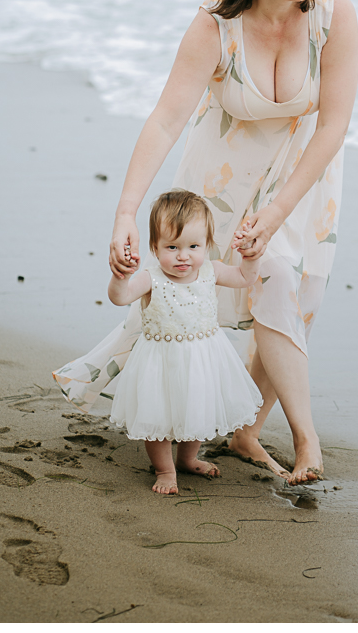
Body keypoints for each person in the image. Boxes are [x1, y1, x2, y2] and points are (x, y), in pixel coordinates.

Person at [54, 0, 358, 486]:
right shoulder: (215, 23)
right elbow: (167, 117)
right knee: (220, 290)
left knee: (287, 292)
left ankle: (250, 427)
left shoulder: (332, 12)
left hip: (303, 177)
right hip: (220, 179)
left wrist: (277, 209)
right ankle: (305, 440)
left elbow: (335, 123)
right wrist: (126, 211)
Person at [107, 189, 264, 495]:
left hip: (203, 359)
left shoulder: (211, 271)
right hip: (160, 362)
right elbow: (120, 297)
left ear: (207, 245)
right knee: (159, 417)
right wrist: (120, 276)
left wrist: (251, 257)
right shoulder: (151, 279)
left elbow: (246, 278)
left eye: (193, 245)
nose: (183, 255)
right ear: (154, 247)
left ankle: (188, 458)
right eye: (172, 246)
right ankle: (165, 469)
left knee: (198, 408)